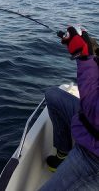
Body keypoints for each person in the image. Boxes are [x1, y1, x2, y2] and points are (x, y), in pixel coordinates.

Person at [39, 25, 99, 191]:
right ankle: (62, 153)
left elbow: (94, 110)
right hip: (88, 128)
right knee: (53, 96)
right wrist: (92, 49)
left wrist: (84, 57)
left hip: (93, 157)